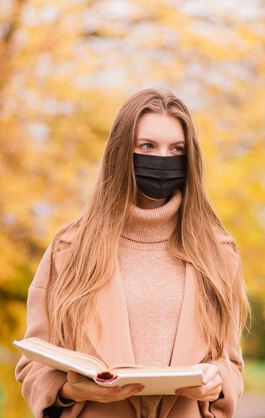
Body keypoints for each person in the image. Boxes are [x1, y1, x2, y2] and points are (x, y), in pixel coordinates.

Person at [15, 88, 249, 418]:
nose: (163, 159)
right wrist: (68, 390)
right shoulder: (69, 249)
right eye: (148, 146)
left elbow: (231, 366)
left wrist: (217, 384)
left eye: (176, 149)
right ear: (122, 152)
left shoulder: (218, 252)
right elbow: (33, 366)